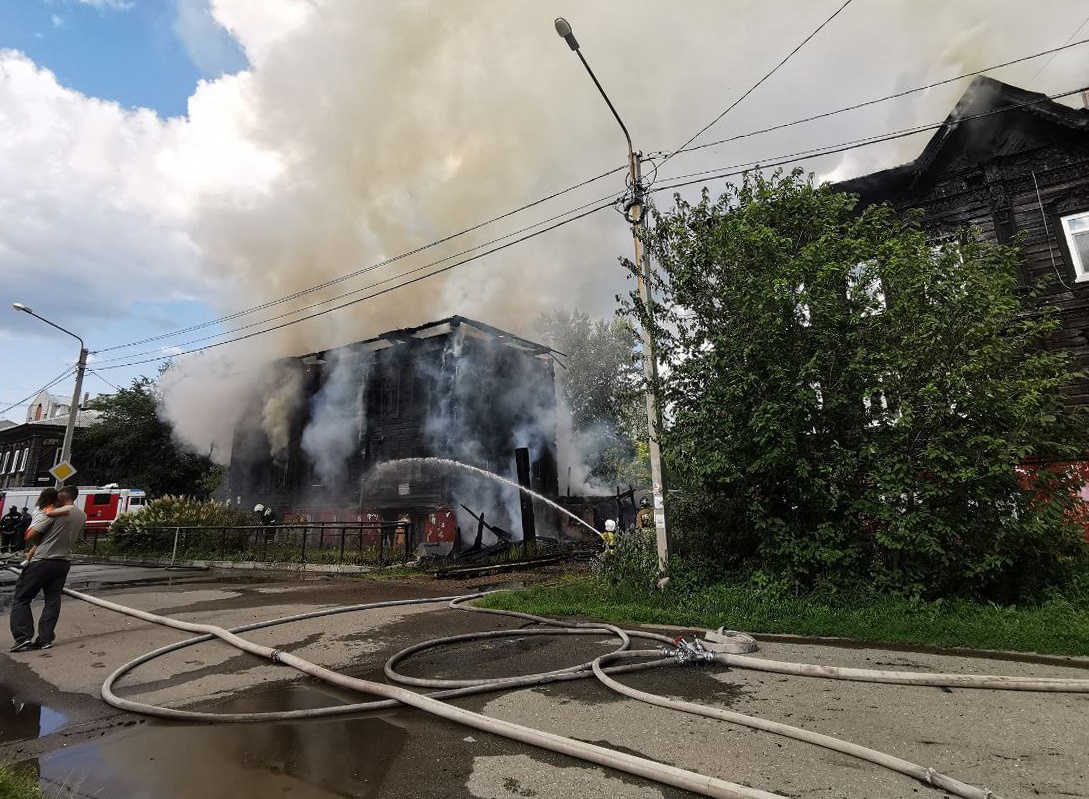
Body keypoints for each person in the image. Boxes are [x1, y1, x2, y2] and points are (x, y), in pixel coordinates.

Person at [9, 486, 86, 653]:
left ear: (62, 496)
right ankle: (45, 639)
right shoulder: (82, 515)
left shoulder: (55, 512)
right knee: (52, 600)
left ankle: (23, 638)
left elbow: (30, 535)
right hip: (63, 562)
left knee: (21, 599)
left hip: (42, 561)